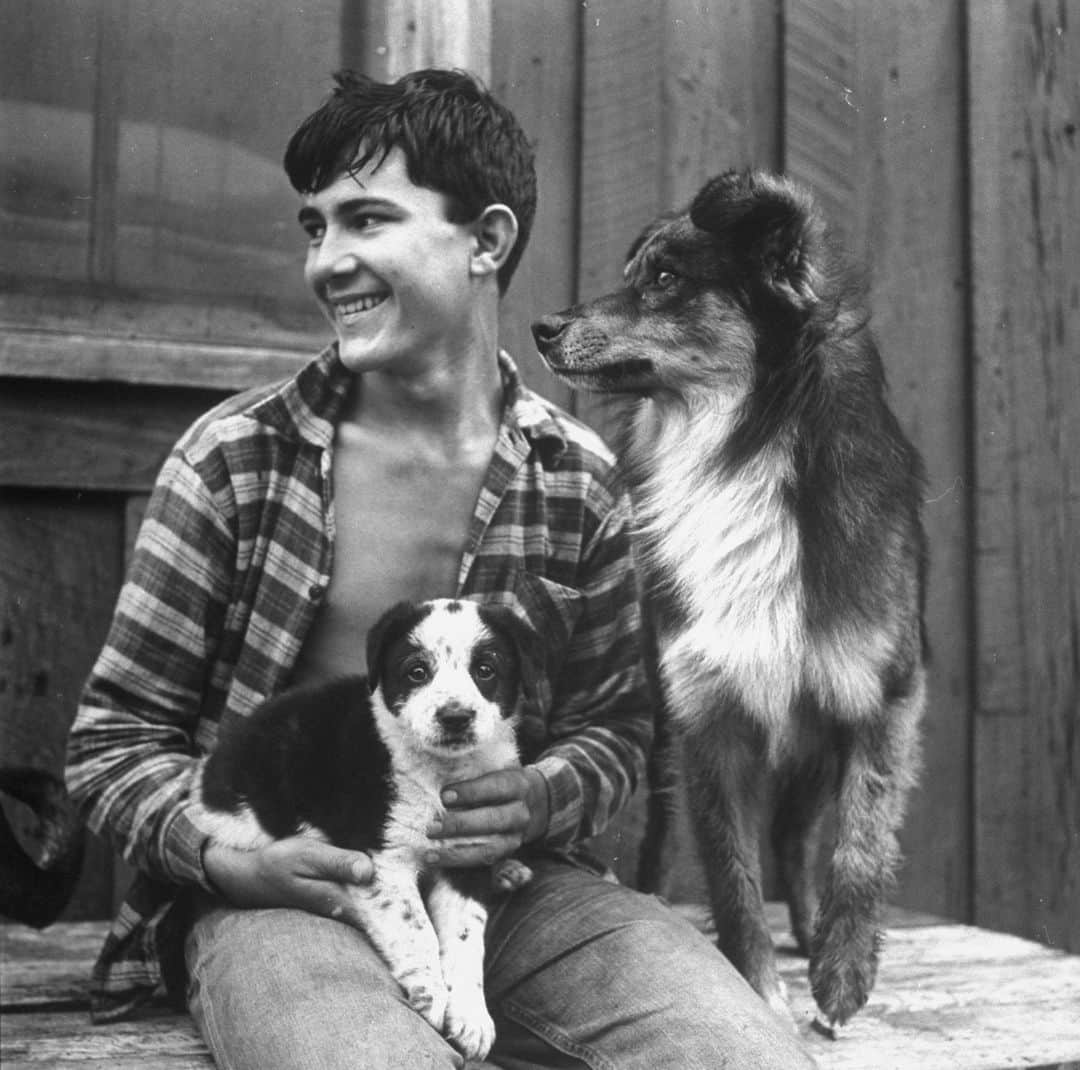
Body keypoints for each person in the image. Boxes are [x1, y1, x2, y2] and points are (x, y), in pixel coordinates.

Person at [65, 68, 815, 1069]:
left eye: (366, 220)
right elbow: (112, 739)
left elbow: (614, 730)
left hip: (514, 891)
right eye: (314, 228)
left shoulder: (577, 478)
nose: (329, 261)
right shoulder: (232, 458)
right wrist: (229, 855)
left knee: (745, 1055)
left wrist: (542, 796)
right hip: (287, 902)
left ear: (487, 240)